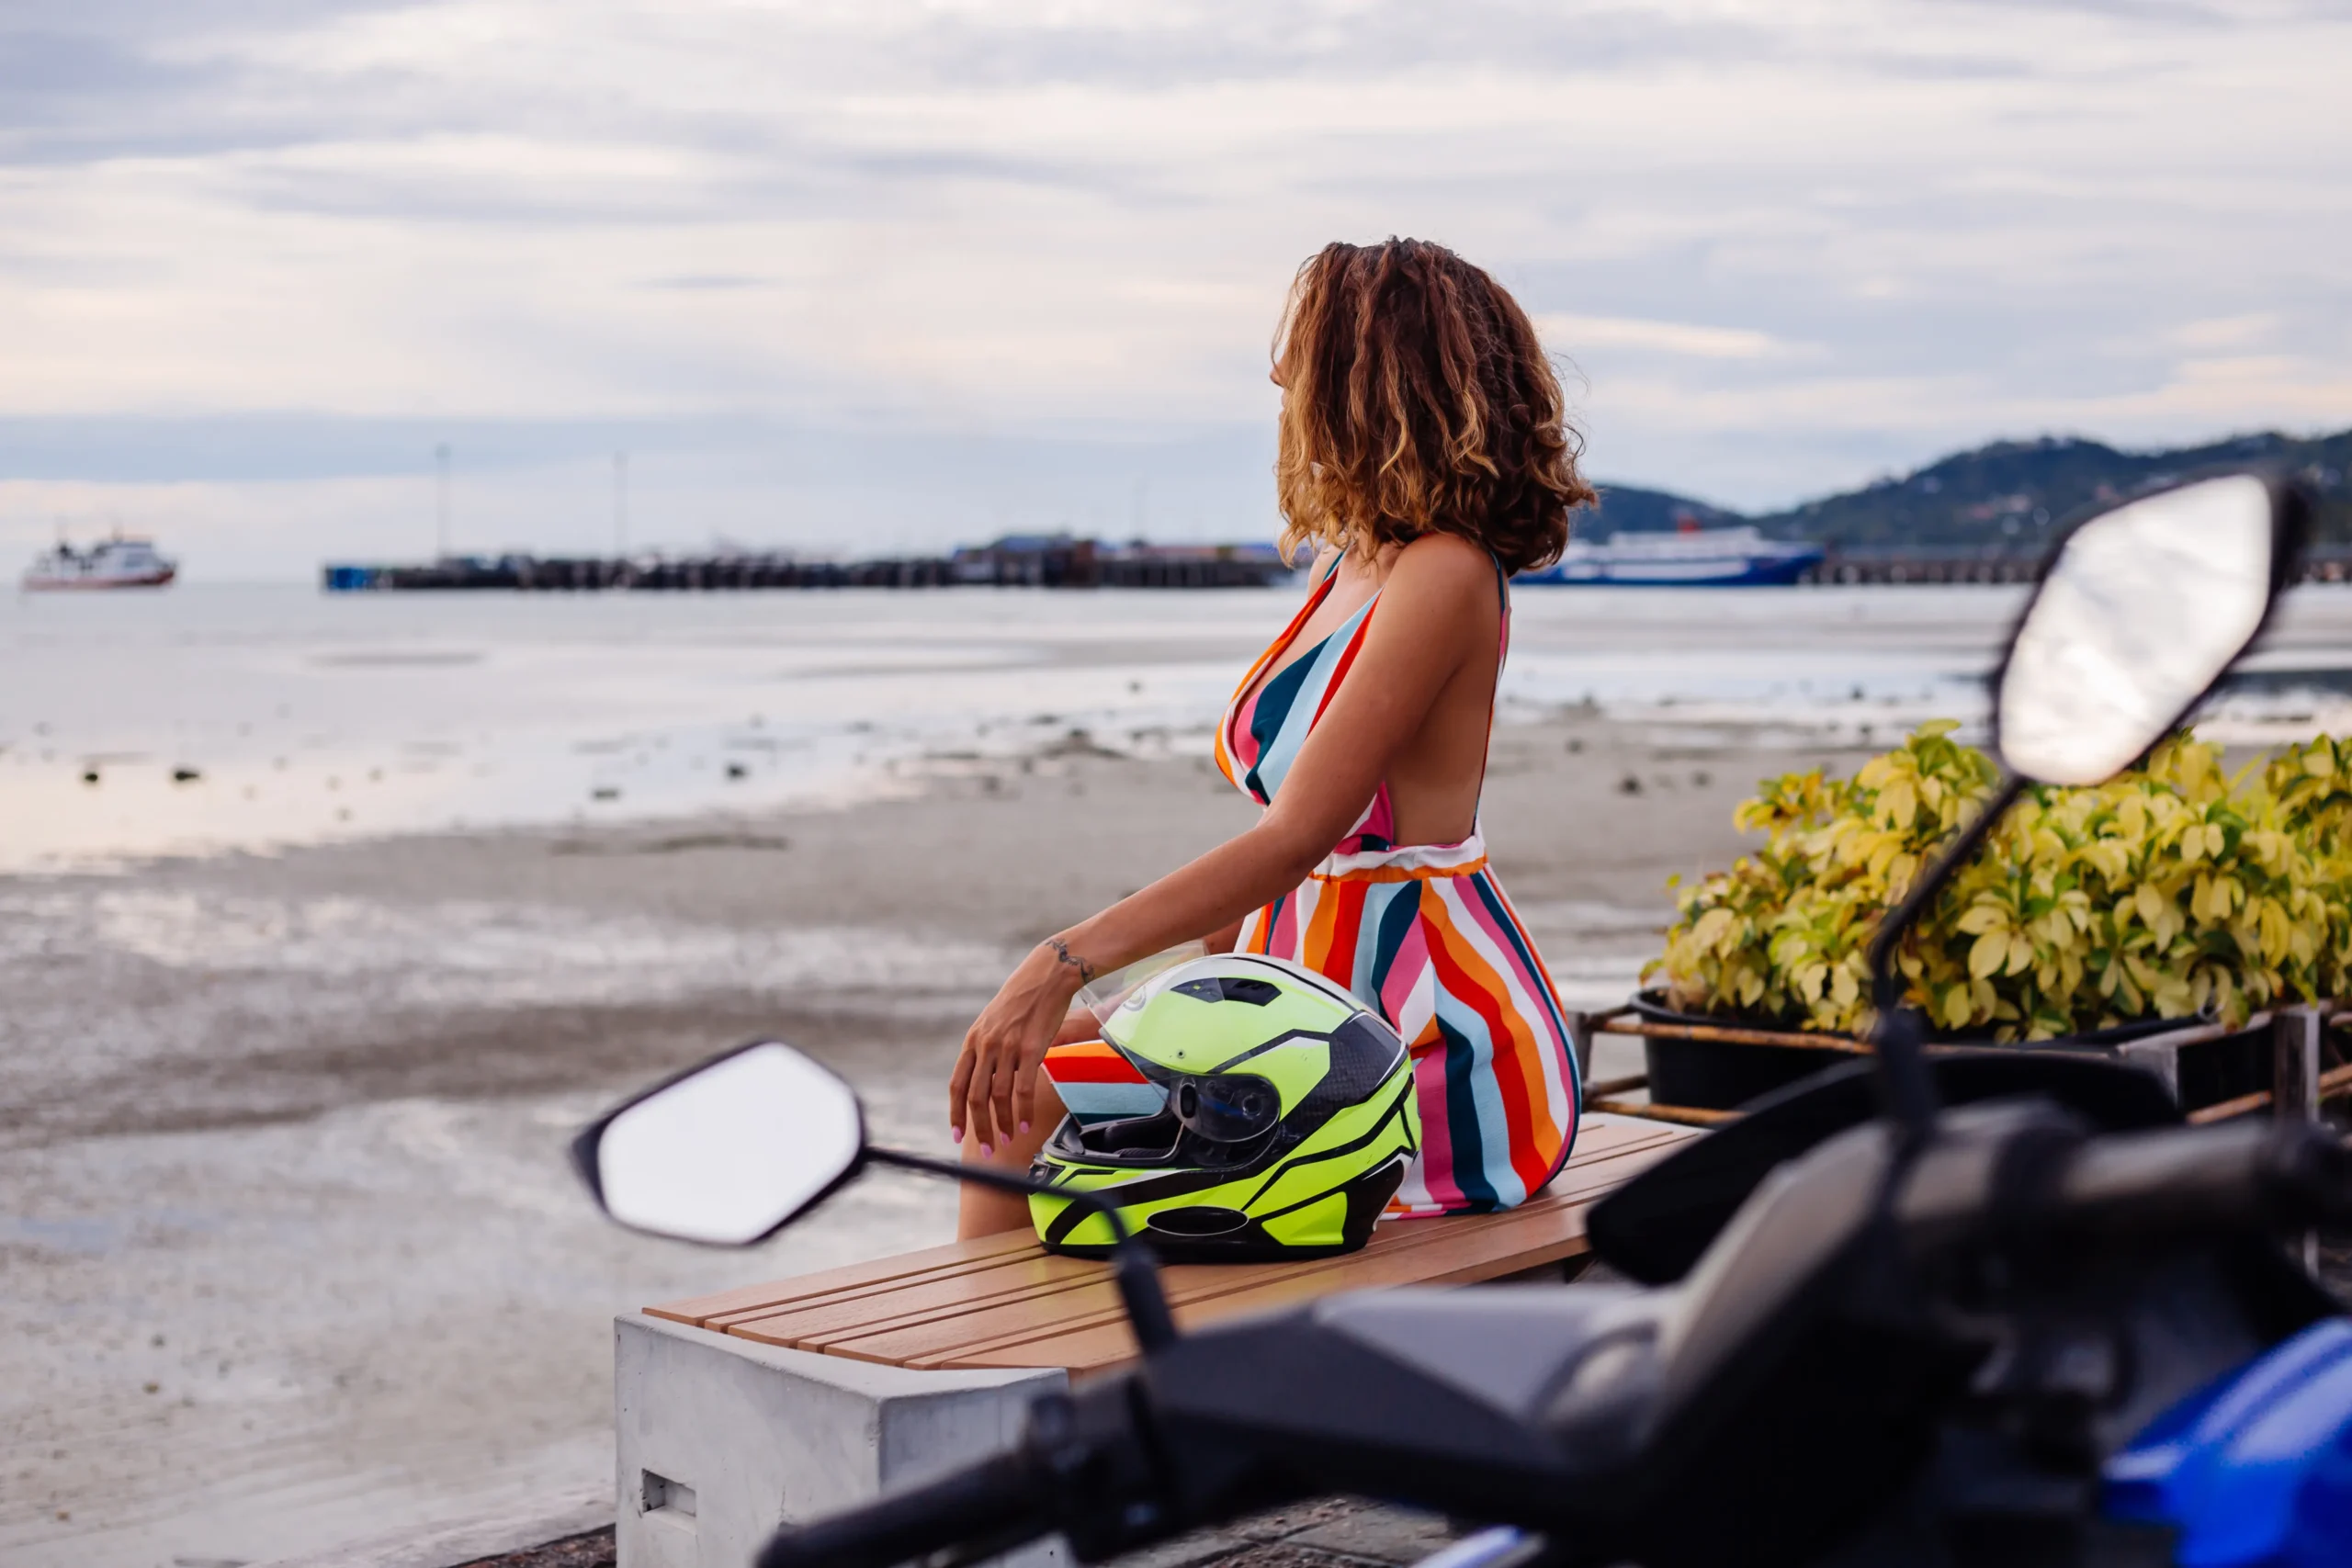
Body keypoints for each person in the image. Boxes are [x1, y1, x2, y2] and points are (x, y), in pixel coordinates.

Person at [951, 237, 1594, 1238]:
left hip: (1415, 1026)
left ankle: (1001, 1370)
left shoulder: (1445, 573)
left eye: (1302, 347)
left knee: (1043, 1103)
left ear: (1364, 376)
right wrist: (1164, 998)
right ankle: (992, 1370)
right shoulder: (1349, 563)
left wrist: (1062, 960)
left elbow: (1298, 837)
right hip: (1296, 987)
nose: (1277, 371)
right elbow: (1278, 854)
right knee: (1033, 1088)